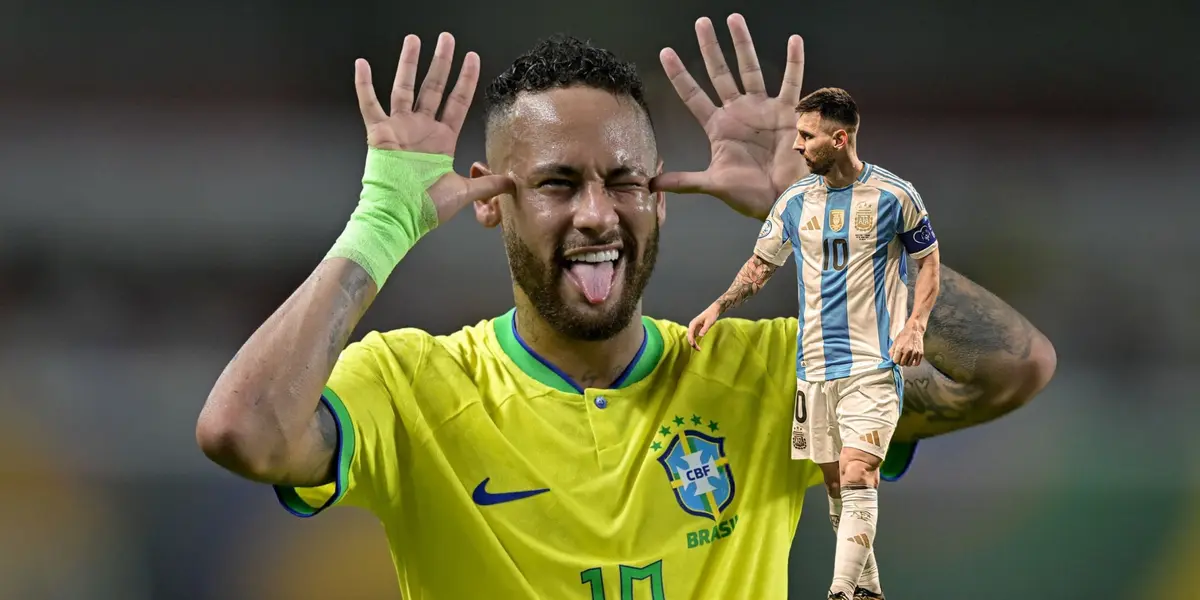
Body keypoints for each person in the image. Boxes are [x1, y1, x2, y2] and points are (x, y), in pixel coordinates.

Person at [195, 14, 1057, 600]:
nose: (597, 214)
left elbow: (1009, 368)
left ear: (661, 198)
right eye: (557, 184)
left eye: (624, 181)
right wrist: (379, 229)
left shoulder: (770, 376)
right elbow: (242, 432)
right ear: (490, 200)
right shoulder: (412, 386)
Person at [687, 86, 941, 599]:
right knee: (835, 485)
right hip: (814, 367)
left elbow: (928, 261)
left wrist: (915, 325)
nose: (797, 145)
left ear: (839, 139)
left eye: (806, 135)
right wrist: (718, 305)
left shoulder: (894, 196)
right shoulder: (794, 201)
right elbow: (761, 265)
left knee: (858, 473)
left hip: (872, 363)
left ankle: (840, 589)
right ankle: (868, 590)